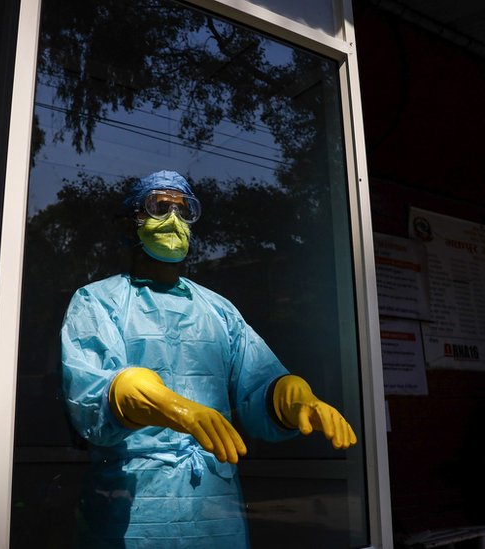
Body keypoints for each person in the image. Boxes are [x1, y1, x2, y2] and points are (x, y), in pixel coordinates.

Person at [59, 170, 357, 548]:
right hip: (134, 508)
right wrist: (172, 406)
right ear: (132, 221)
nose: (174, 220)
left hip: (214, 509)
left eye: (184, 211)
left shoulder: (217, 309)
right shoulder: (98, 301)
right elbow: (92, 393)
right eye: (159, 207)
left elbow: (258, 381)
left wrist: (293, 397)